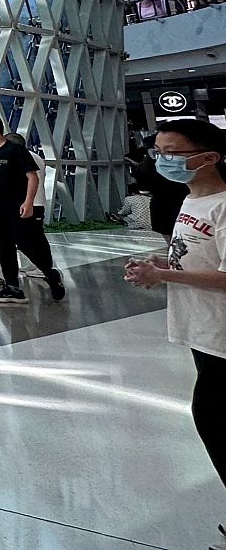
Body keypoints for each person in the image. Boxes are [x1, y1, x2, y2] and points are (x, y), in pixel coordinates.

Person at [124, 118, 226, 550]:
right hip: (204, 329)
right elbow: (190, 256)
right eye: (158, 152)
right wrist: (159, 270)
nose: (163, 161)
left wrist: (164, 273)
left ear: (208, 158)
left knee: (214, 420)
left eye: (173, 153)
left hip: (223, 335)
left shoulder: (224, 205)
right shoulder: (190, 199)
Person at [0, 115, 65, 304]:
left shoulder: (15, 151)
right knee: (2, 247)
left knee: (26, 243)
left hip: (15, 205)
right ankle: (12, 287)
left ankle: (50, 274)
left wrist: (28, 202)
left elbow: (33, 177)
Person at [5, 133, 53, 278]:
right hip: (34, 202)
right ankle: (40, 264)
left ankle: (44, 267)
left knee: (32, 236)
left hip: (31, 203)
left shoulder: (24, 157)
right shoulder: (33, 156)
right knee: (34, 236)